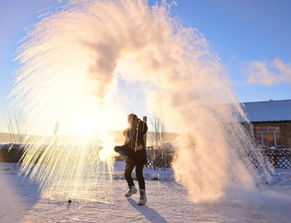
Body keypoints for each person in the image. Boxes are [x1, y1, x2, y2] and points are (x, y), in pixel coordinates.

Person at [114, 113, 148, 206]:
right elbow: (127, 145)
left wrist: (140, 122)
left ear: (134, 119)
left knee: (139, 175)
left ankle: (143, 196)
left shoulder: (140, 128)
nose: (129, 121)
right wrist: (118, 148)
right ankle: (132, 189)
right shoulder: (129, 131)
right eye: (128, 120)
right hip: (132, 156)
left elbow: (144, 128)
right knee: (127, 173)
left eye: (131, 119)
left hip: (140, 156)